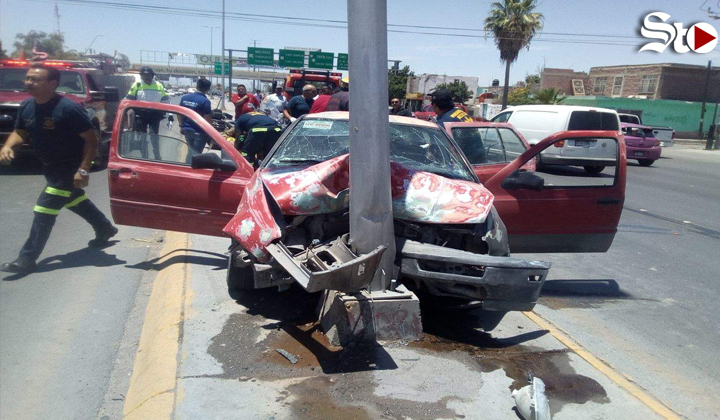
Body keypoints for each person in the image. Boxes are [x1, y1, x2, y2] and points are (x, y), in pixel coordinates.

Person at [0, 65, 118, 274]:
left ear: (53, 84)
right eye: (27, 79)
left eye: (35, 79)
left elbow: (92, 140)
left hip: (69, 167)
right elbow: (20, 132)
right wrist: (8, 146)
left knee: (44, 210)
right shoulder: (27, 106)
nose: (28, 83)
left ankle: (26, 259)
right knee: (74, 199)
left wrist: (83, 170)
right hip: (50, 166)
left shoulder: (68, 109)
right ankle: (104, 228)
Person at [125, 66, 169, 159]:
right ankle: (144, 156)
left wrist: (167, 113)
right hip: (140, 114)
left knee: (154, 136)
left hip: (154, 114)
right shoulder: (137, 85)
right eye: (144, 75)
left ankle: (157, 155)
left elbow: (166, 99)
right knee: (142, 137)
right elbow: (128, 98)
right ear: (141, 75)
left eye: (148, 75)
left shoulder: (159, 85)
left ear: (152, 75)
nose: (146, 77)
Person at [178, 78, 213, 154]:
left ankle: (186, 165)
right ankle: (189, 165)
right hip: (199, 132)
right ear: (208, 89)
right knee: (196, 155)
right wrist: (212, 133)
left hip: (187, 130)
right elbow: (208, 120)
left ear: (196, 86)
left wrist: (181, 126)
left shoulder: (185, 98)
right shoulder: (205, 101)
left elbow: (179, 113)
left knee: (190, 152)